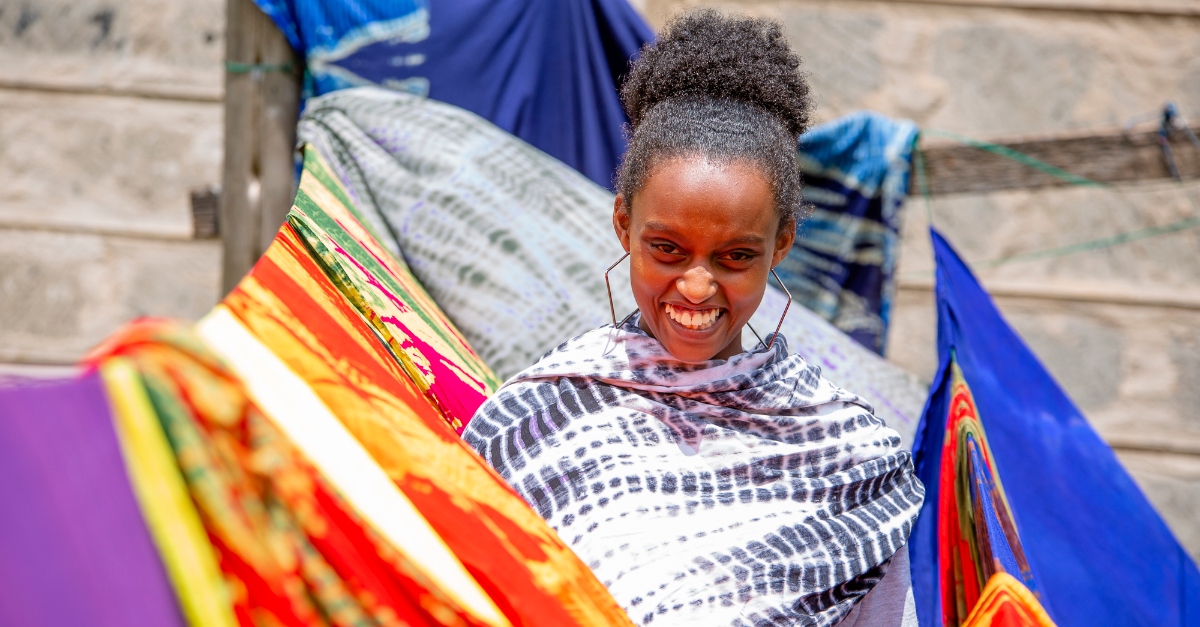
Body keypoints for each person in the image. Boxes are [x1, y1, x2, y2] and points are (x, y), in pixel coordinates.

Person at [461, 10, 923, 627]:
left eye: (736, 256)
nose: (698, 287)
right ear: (623, 223)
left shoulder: (849, 458)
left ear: (781, 244)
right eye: (668, 250)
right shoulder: (531, 423)